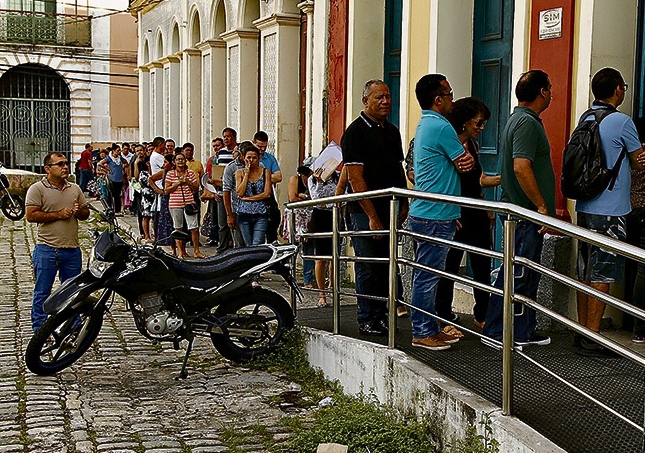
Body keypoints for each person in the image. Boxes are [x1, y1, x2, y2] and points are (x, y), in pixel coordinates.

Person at [482, 69, 555, 347]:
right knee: (517, 276)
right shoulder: (526, 123)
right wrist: (540, 205)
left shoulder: (522, 120)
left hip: (521, 212)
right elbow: (521, 166)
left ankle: (522, 330)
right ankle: (498, 332)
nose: (551, 92)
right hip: (524, 214)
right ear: (541, 93)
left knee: (524, 275)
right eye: (549, 87)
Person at [574, 67, 644, 353]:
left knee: (584, 270)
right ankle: (593, 335)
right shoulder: (622, 121)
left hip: (586, 204)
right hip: (612, 208)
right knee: (602, 272)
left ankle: (581, 331)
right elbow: (639, 162)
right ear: (618, 90)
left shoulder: (586, 117)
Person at [407, 74, 475, 351]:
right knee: (427, 276)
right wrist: (462, 158)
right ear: (438, 100)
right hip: (434, 214)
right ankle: (422, 330)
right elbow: (465, 163)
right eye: (449, 94)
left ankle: (430, 326)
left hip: (434, 211)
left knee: (428, 275)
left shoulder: (426, 123)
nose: (452, 99)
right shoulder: (442, 127)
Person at [340, 79, 408, 336]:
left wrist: (404, 201)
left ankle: (382, 315)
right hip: (363, 212)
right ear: (365, 101)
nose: (385, 101)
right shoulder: (355, 132)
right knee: (368, 265)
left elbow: (397, 168)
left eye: (388, 96)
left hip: (390, 208)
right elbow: (356, 178)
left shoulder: (391, 131)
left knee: (386, 265)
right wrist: (372, 216)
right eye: (379, 97)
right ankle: (367, 317)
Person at [434, 97, 501, 330]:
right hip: (455, 215)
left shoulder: (473, 146)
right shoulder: (447, 144)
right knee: (448, 267)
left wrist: (501, 184)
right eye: (479, 123)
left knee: (482, 266)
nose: (481, 128)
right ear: (464, 122)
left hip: (475, 212)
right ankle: (443, 315)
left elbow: (477, 180)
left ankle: (483, 314)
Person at [26, 152, 90, 331]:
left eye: (66, 163)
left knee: (72, 291)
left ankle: (73, 325)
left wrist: (78, 212)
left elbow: (85, 213)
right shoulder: (37, 189)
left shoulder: (74, 188)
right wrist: (58, 215)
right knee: (42, 291)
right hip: (47, 249)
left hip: (72, 249)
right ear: (48, 168)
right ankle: (39, 328)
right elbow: (31, 215)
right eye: (60, 164)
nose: (65, 167)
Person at [308, 166, 340, 308]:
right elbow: (316, 199)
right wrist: (319, 181)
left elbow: (342, 198)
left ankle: (333, 287)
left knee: (335, 256)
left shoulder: (338, 176)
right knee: (320, 258)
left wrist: (329, 203)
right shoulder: (312, 179)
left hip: (335, 214)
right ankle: (322, 294)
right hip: (319, 217)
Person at [165, 153, 204, 259]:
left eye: (182, 159)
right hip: (175, 203)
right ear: (174, 161)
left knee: (194, 227)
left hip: (189, 202)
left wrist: (188, 182)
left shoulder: (190, 173)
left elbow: (196, 189)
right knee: (178, 228)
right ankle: (181, 251)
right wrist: (177, 183)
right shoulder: (170, 174)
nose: (180, 161)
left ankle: (196, 250)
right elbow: (166, 190)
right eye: (178, 159)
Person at [286, 164, 315, 289]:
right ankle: (289, 277)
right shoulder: (295, 179)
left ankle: (308, 280)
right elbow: (292, 198)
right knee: (293, 247)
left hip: (310, 217)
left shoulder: (315, 179)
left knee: (309, 248)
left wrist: (303, 196)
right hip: (296, 216)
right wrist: (306, 197)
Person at [253, 131, 282, 243]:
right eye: (259, 146)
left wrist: (261, 177)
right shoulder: (248, 157)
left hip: (268, 199)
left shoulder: (270, 158)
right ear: (253, 143)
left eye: (264, 147)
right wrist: (269, 176)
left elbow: (279, 176)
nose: (262, 150)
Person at [215, 128, 239, 252]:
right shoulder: (220, 153)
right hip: (221, 191)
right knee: (222, 223)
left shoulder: (238, 152)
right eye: (224, 136)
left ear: (234, 137)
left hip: (235, 192)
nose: (225, 139)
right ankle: (222, 248)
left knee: (235, 222)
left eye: (228, 136)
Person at [223, 139, 249, 249]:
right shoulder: (231, 168)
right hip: (237, 209)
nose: (250, 160)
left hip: (255, 210)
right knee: (239, 243)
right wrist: (229, 215)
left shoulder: (260, 166)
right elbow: (226, 191)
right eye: (247, 156)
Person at [99, 146, 127, 216]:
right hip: (112, 178)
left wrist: (123, 169)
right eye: (117, 150)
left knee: (118, 195)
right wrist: (107, 170)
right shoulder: (109, 158)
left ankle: (117, 210)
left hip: (119, 179)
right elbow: (100, 164)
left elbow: (126, 162)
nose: (119, 152)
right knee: (110, 195)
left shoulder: (120, 158)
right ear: (113, 151)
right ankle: (109, 209)